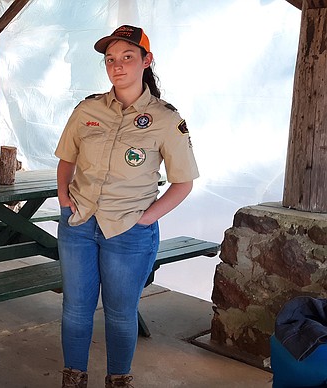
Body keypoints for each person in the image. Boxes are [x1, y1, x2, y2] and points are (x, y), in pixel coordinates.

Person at [54, 25, 199, 388]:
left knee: (120, 314)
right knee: (75, 308)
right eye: (111, 60)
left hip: (128, 231)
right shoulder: (88, 110)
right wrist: (63, 196)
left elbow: (183, 182)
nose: (117, 67)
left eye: (127, 58)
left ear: (146, 61)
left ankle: (118, 380)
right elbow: (66, 160)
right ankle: (73, 377)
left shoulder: (166, 119)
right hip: (79, 223)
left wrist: (145, 219)